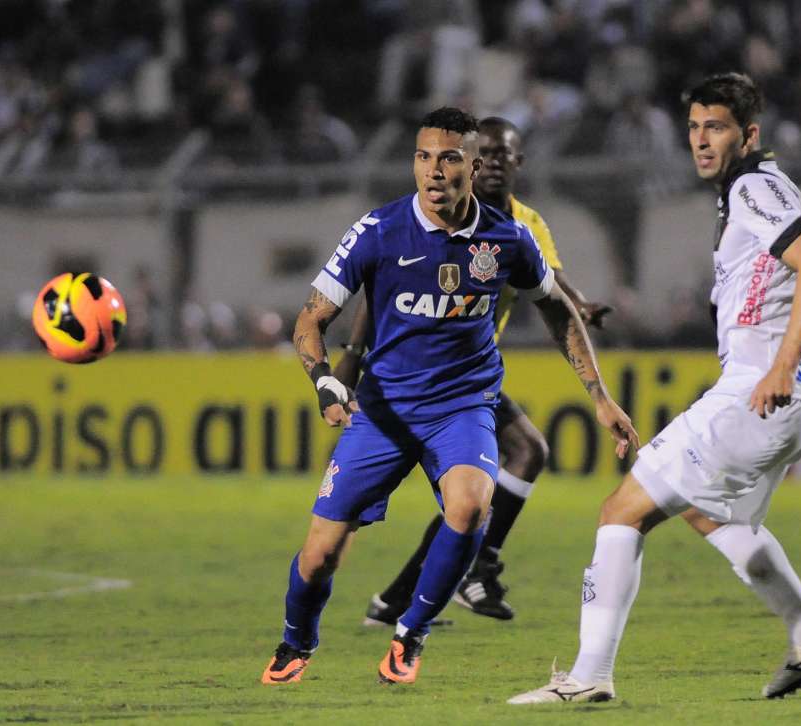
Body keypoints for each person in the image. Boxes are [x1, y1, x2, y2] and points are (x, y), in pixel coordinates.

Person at [509, 73, 801, 704]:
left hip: (760, 391)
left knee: (621, 511)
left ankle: (589, 677)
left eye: (716, 128)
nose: (701, 141)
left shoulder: (753, 187)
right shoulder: (771, 192)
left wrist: (783, 364)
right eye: (694, 128)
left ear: (748, 134)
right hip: (796, 402)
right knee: (708, 512)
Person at [260, 107, 637, 687]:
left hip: (463, 407)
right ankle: (296, 642)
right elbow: (311, 319)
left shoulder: (509, 238)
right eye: (423, 157)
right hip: (383, 412)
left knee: (469, 505)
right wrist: (325, 379)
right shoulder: (377, 231)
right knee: (320, 557)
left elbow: (556, 309)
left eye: (449, 158)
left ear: (474, 164)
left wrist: (599, 397)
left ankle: (409, 635)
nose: (434, 171)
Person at [335, 116, 613, 625]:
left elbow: (550, 283)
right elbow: (380, 288)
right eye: (482, 152)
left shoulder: (522, 226)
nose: (492, 163)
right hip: (414, 374)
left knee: (480, 491)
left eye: (503, 154)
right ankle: (463, 572)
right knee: (505, 467)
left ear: (514, 163)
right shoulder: (435, 214)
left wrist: (583, 305)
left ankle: (399, 598)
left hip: (465, 377)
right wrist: (352, 355)